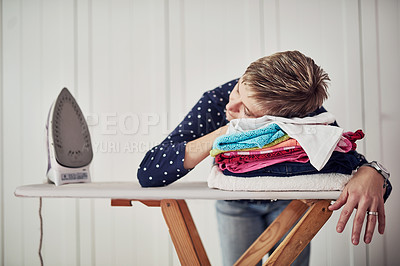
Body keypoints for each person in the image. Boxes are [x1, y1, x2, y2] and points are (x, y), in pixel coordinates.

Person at [137, 51, 391, 265]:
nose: (231, 106)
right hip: (235, 204)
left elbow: (349, 162)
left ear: (288, 119)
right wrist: (226, 132)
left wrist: (373, 172)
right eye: (238, 89)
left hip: (294, 203)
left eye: (246, 111)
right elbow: (149, 172)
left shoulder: (307, 113)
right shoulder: (218, 101)